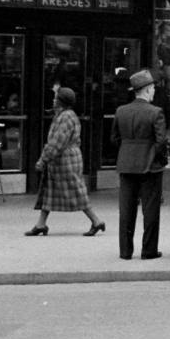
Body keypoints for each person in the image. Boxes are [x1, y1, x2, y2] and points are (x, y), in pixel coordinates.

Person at [27, 86, 104, 237]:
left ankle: (96, 221)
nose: (53, 99)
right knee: (49, 190)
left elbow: (57, 142)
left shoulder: (66, 117)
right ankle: (41, 224)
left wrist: (43, 159)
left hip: (65, 160)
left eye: (56, 98)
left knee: (75, 191)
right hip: (65, 158)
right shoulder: (65, 115)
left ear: (61, 102)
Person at [111, 68, 168, 260]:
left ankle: (125, 251)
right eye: (152, 89)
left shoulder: (121, 111)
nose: (154, 92)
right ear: (147, 89)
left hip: (126, 164)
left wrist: (128, 151)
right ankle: (148, 250)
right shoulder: (156, 112)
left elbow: (115, 138)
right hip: (150, 166)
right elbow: (161, 141)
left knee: (126, 209)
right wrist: (155, 156)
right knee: (150, 210)